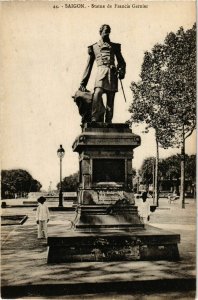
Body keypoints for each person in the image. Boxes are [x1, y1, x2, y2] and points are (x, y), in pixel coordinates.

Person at [79, 24, 126, 123]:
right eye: (105, 31)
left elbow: (122, 62)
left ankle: (108, 121)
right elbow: (89, 65)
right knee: (97, 93)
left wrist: (121, 71)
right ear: (100, 32)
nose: (107, 33)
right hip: (101, 73)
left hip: (112, 75)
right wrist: (83, 83)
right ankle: (94, 118)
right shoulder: (94, 47)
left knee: (110, 99)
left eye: (108, 31)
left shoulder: (115, 46)